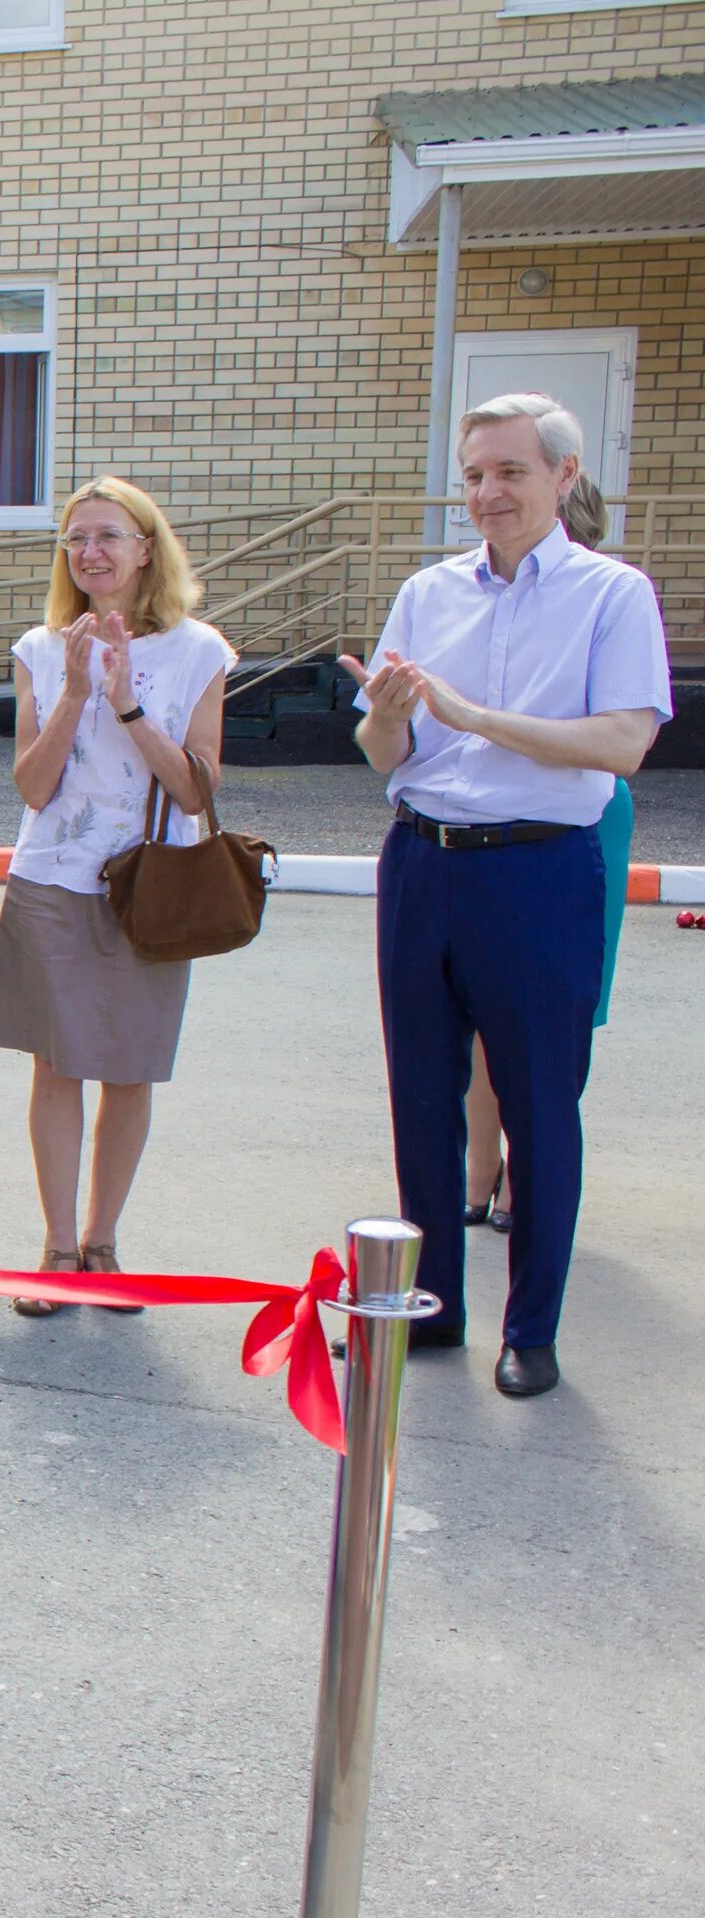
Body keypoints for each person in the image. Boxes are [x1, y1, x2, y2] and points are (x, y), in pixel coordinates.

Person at [346, 394, 670, 1398]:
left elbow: (623, 743)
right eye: (476, 472)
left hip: (539, 870)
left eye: (510, 472)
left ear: (564, 478)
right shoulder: (427, 591)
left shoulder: (613, 595)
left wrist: (477, 714)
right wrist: (393, 720)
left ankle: (532, 1327)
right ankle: (432, 1307)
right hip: (424, 860)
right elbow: (381, 751)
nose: (487, 493)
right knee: (421, 1096)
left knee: (538, 1104)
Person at [0, 477, 232, 1313]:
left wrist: (127, 705)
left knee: (128, 1073)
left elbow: (197, 793)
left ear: (146, 549)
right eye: (76, 538)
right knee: (55, 1068)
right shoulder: (38, 648)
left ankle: (104, 1245)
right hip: (52, 879)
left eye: (108, 536)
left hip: (150, 888)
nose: (90, 552)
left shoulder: (199, 651)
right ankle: (56, 1250)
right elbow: (31, 785)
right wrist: (78, 692)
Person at [464, 468, 634, 1234]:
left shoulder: (610, 600)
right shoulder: (469, 594)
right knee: (471, 1008)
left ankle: (525, 1176)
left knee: (559, 1011)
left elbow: (620, 735)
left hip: (578, 818)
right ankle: (478, 1170)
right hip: (477, 818)